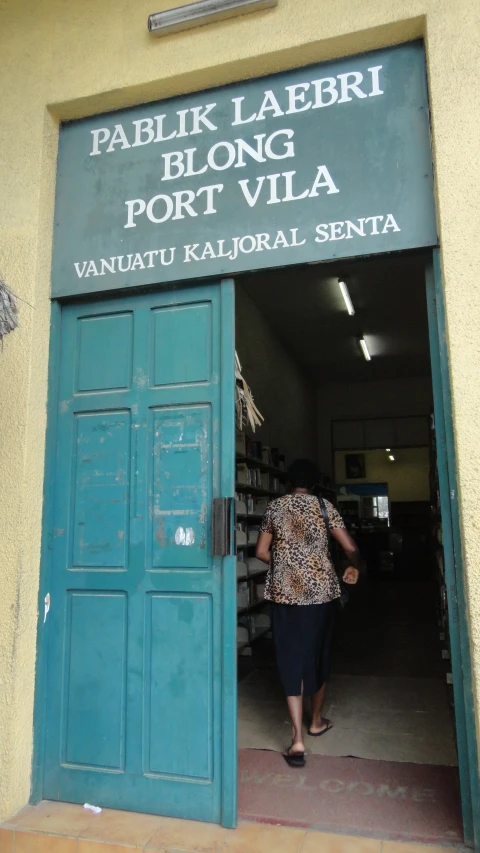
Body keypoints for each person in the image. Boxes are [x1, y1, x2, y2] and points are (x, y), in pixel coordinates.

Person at [255, 459, 361, 767]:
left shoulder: (275, 508)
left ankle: (297, 740)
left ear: (288, 481)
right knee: (318, 653)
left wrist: (285, 567)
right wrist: (354, 565)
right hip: (320, 595)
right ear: (314, 483)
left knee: (290, 658)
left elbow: (261, 551)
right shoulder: (325, 507)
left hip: (284, 595)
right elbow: (349, 546)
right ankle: (315, 722)